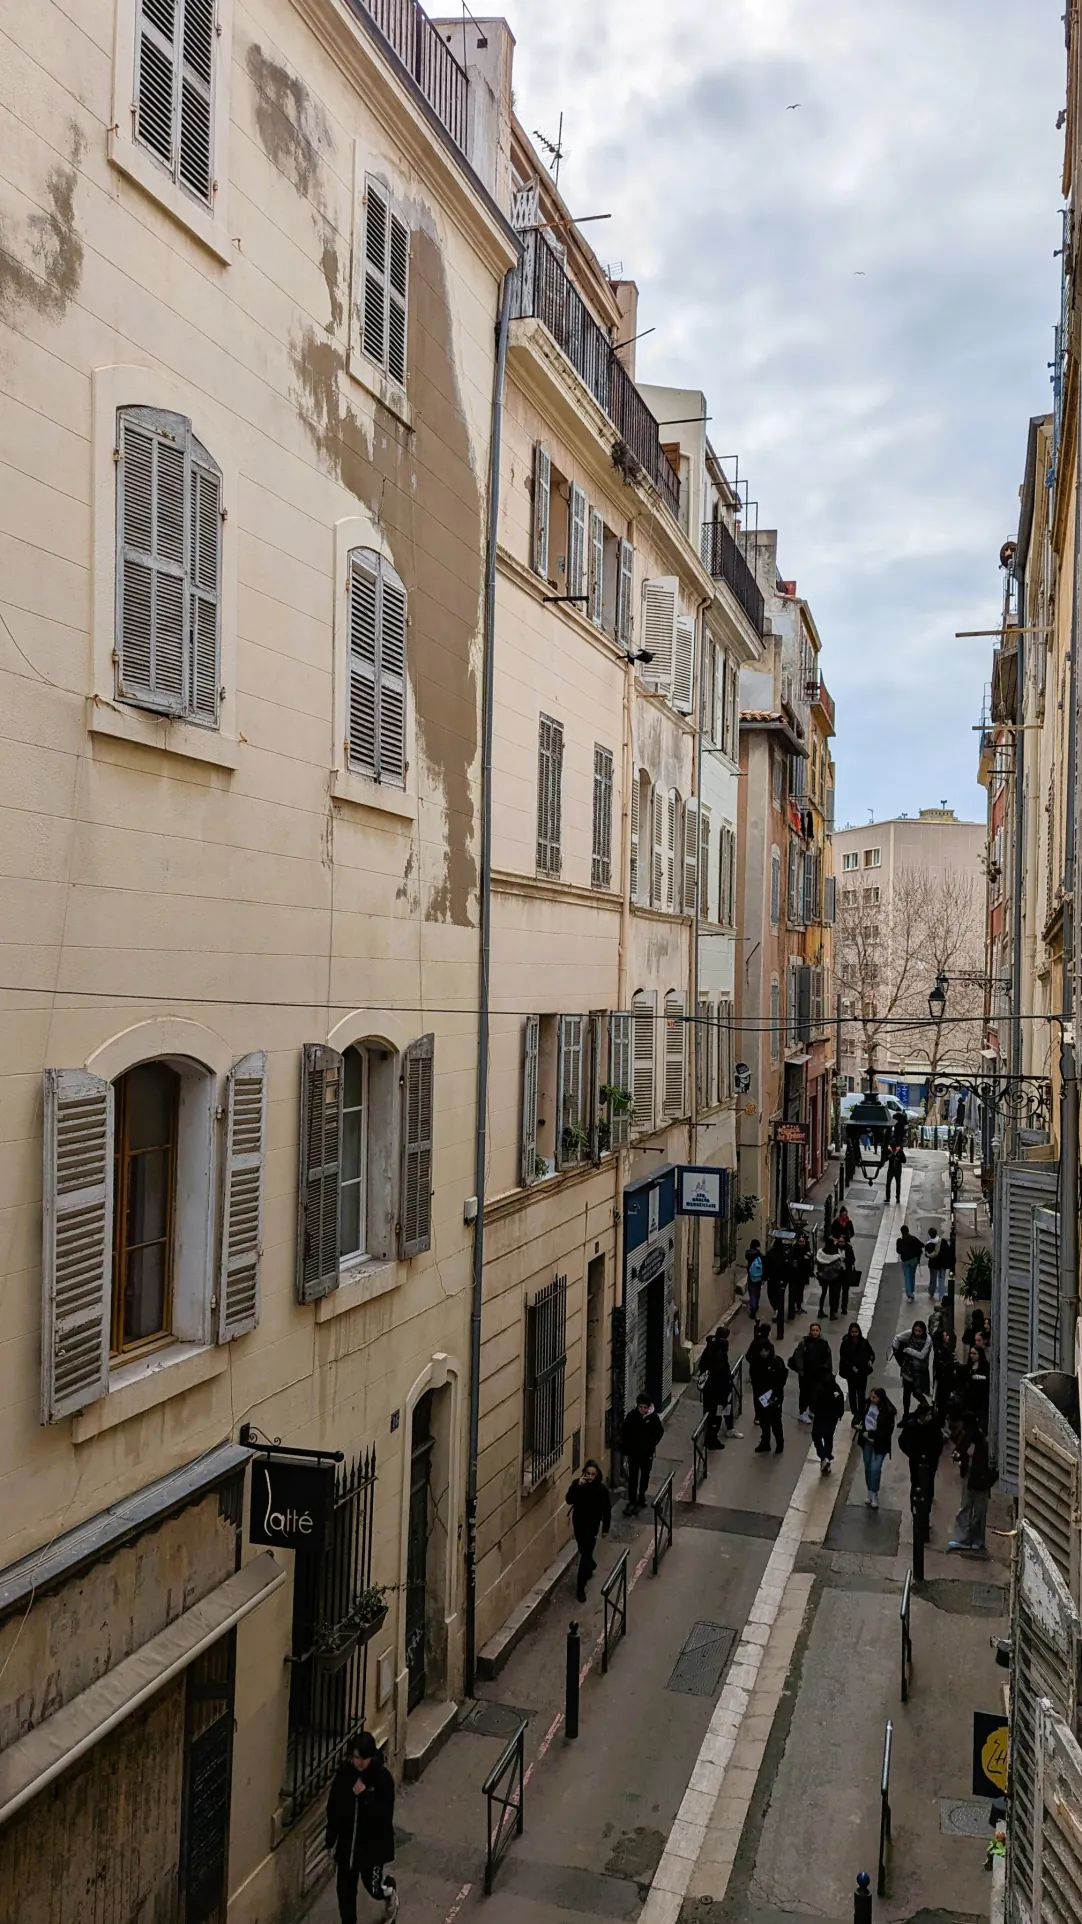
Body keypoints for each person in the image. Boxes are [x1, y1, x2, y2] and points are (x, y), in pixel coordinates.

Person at [325, 1732, 398, 1924]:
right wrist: (330, 1839)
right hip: (347, 1847)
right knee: (345, 1891)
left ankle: (389, 1892)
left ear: (370, 1757)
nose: (357, 1762)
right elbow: (334, 1807)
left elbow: (384, 1816)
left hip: (372, 1849)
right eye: (354, 1757)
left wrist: (365, 1795)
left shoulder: (382, 1779)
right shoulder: (345, 1774)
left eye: (361, 1758)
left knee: (373, 1887)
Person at [565, 1459, 611, 1601]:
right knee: (583, 1549)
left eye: (593, 1474)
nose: (590, 1477)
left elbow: (606, 1510)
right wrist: (577, 1486)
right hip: (579, 1523)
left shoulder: (601, 1490)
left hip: (592, 1526)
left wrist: (605, 1529)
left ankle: (580, 1587)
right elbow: (569, 1500)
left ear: (597, 1475)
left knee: (585, 1554)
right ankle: (590, 1564)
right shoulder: (578, 1485)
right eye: (588, 1473)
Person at [949, 1417, 997, 1555]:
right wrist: (958, 1455)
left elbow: (993, 1466)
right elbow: (960, 1450)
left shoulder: (984, 1443)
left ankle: (977, 1540)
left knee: (979, 1512)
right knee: (965, 1507)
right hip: (969, 1478)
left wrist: (987, 1480)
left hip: (980, 1481)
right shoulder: (967, 1438)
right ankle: (963, 1538)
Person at [898, 1397, 945, 1537]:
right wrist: (912, 1455)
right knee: (916, 1485)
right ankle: (916, 1513)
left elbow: (939, 1443)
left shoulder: (934, 1426)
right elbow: (902, 1441)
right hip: (916, 1461)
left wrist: (934, 1456)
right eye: (928, 1415)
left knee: (928, 1486)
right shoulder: (912, 1426)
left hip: (930, 1462)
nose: (930, 1417)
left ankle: (926, 1513)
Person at [621, 1393, 664, 1514]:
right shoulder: (632, 1417)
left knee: (645, 1476)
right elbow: (625, 1433)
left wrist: (651, 1444)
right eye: (640, 1407)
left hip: (646, 1454)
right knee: (633, 1478)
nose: (642, 1410)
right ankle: (632, 1501)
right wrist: (626, 1450)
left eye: (645, 1407)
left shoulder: (653, 1418)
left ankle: (641, 1496)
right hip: (634, 1453)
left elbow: (659, 1432)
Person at [857, 1386, 896, 1509]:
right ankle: (871, 1490)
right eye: (871, 1396)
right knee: (868, 1467)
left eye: (874, 1397)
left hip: (880, 1444)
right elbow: (860, 1415)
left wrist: (871, 1434)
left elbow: (886, 1432)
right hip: (867, 1442)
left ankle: (873, 1492)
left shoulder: (888, 1412)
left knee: (875, 1468)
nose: (871, 1398)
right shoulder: (866, 1404)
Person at [788, 1322, 832, 1426]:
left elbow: (827, 1358)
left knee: (815, 1392)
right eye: (813, 1330)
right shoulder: (804, 1343)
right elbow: (798, 1356)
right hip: (806, 1373)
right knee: (804, 1393)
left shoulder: (824, 1344)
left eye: (817, 1330)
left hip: (818, 1373)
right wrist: (801, 1370)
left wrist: (827, 1370)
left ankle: (811, 1409)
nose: (815, 1332)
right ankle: (802, 1412)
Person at [697, 1330, 732, 1449]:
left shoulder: (709, 1348)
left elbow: (701, 1366)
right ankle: (711, 1440)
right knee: (716, 1417)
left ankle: (709, 1437)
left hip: (708, 1390)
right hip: (717, 1391)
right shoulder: (719, 1355)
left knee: (709, 1414)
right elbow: (723, 1375)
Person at [752, 1339, 787, 1454]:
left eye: (765, 1351)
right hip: (760, 1396)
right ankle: (765, 1442)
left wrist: (775, 1395)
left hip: (773, 1397)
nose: (763, 1354)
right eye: (761, 1351)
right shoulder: (756, 1362)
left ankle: (779, 1443)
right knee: (764, 1421)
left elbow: (781, 1380)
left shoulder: (776, 1362)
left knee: (776, 1421)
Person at [892, 1319, 933, 1417]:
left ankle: (928, 1409)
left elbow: (922, 1355)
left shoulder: (927, 1340)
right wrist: (898, 1354)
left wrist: (908, 1350)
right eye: (916, 1330)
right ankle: (905, 1415)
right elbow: (896, 1339)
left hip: (919, 1371)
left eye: (920, 1331)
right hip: (908, 1370)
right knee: (906, 1393)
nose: (917, 1333)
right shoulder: (910, 1334)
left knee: (917, 1392)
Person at [808, 1370, 845, 1473]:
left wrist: (814, 1411)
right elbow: (840, 1400)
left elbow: (813, 1402)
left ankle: (823, 1456)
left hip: (820, 1417)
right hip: (832, 1418)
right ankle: (827, 1456)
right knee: (828, 1438)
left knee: (816, 1436)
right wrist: (839, 1414)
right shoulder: (835, 1388)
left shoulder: (818, 1388)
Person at [838, 1322, 875, 1423]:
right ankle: (855, 1411)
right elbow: (844, 1358)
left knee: (861, 1393)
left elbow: (871, 1353)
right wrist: (851, 1367)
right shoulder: (845, 1343)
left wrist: (870, 1360)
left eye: (856, 1332)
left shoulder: (864, 1342)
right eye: (853, 1332)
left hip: (862, 1372)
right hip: (851, 1374)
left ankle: (861, 1411)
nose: (854, 1334)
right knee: (852, 1393)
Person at [961, 1344, 991, 1433]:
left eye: (975, 1354)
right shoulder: (970, 1365)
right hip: (971, 1397)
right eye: (971, 1353)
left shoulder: (985, 1365)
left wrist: (979, 1377)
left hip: (981, 1397)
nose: (972, 1356)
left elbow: (988, 1379)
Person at [932, 1325, 958, 1424]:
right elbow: (941, 1365)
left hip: (945, 1380)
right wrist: (951, 1363)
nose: (948, 1337)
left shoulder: (944, 1349)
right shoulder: (940, 1351)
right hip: (943, 1381)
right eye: (945, 1335)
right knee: (942, 1402)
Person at [816, 1235, 845, 1319]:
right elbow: (839, 1267)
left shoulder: (820, 1252)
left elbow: (818, 1263)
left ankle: (820, 1311)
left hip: (822, 1277)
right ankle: (832, 1313)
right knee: (832, 1295)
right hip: (833, 1277)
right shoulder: (836, 1256)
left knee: (823, 1293)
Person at [787, 1229, 813, 1319]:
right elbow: (794, 1261)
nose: (802, 1243)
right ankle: (793, 1308)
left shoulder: (807, 1249)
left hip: (803, 1275)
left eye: (803, 1241)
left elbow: (810, 1261)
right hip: (795, 1275)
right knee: (794, 1292)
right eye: (800, 1241)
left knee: (800, 1292)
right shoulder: (794, 1250)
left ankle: (799, 1306)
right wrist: (803, 1258)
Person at [896, 1224, 924, 1304]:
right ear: (908, 1231)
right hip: (914, 1260)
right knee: (912, 1276)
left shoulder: (900, 1241)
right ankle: (912, 1291)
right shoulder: (913, 1239)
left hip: (905, 1261)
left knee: (907, 1277)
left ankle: (909, 1295)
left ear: (901, 1232)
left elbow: (898, 1251)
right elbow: (922, 1245)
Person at [925, 1226, 952, 1303]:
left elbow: (926, 1254)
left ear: (930, 1235)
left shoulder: (929, 1244)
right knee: (941, 1280)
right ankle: (941, 1296)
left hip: (933, 1265)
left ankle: (931, 1292)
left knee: (932, 1280)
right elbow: (948, 1251)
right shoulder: (943, 1241)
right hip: (942, 1265)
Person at [744, 1240, 764, 1319]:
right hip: (759, 1276)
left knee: (752, 1292)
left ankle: (753, 1307)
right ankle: (756, 1305)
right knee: (757, 1292)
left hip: (751, 1275)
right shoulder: (759, 1254)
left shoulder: (748, 1253)